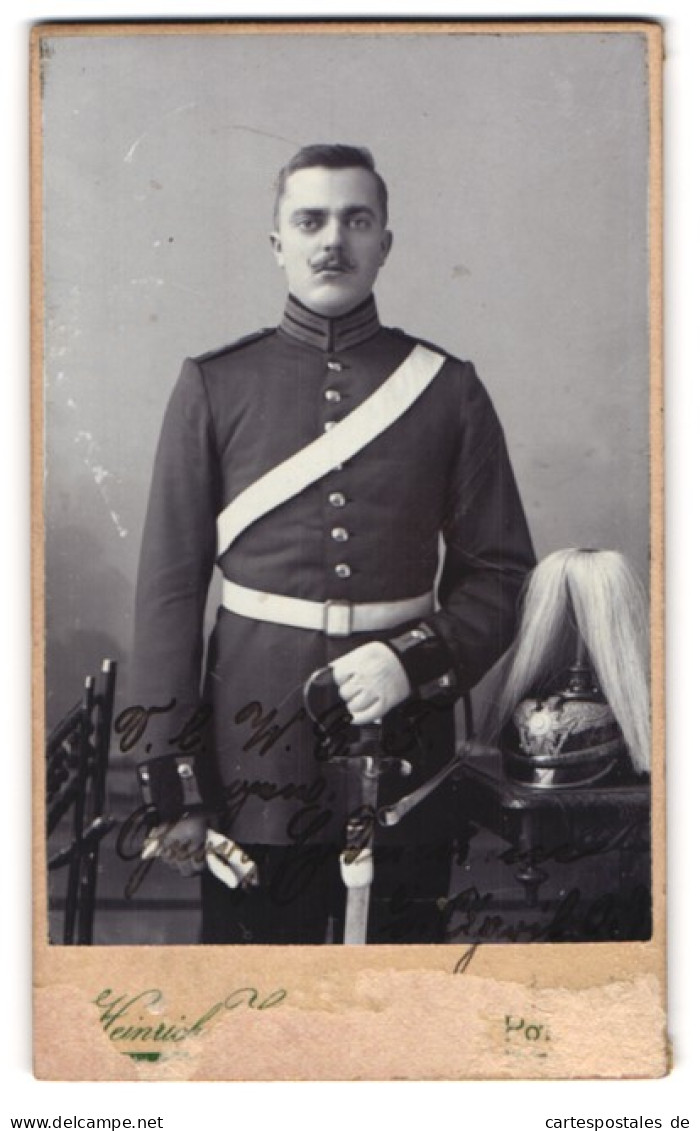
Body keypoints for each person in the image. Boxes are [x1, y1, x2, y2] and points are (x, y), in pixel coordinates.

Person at [130, 143, 535, 944]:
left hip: (408, 748)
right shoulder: (213, 385)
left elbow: (498, 573)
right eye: (309, 220)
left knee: (397, 1002)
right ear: (276, 240)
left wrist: (412, 659)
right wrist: (173, 785)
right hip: (253, 757)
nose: (333, 241)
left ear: (386, 241)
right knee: (256, 1010)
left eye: (357, 220)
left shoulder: (449, 388)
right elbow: (169, 593)